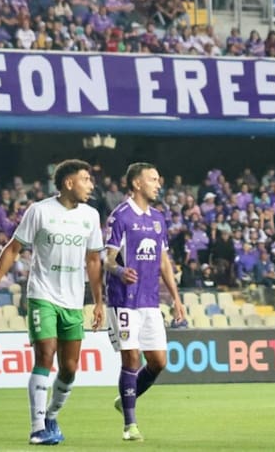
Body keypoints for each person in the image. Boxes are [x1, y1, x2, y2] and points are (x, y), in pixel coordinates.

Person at [0, 159, 104, 446]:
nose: (91, 185)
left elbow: (93, 260)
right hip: (42, 295)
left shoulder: (91, 216)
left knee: (69, 368)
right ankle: (37, 428)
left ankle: (50, 416)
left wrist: (99, 302)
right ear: (69, 183)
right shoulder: (40, 211)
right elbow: (12, 249)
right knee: (45, 356)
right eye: (86, 179)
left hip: (73, 300)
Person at [103, 162, 185, 442]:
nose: (158, 184)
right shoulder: (120, 216)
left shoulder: (158, 218)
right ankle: (130, 425)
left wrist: (176, 298)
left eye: (158, 180)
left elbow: (164, 262)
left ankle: (126, 397)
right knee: (131, 358)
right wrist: (119, 271)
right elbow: (108, 259)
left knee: (158, 362)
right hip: (124, 299)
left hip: (150, 299)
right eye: (153, 179)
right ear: (137, 183)